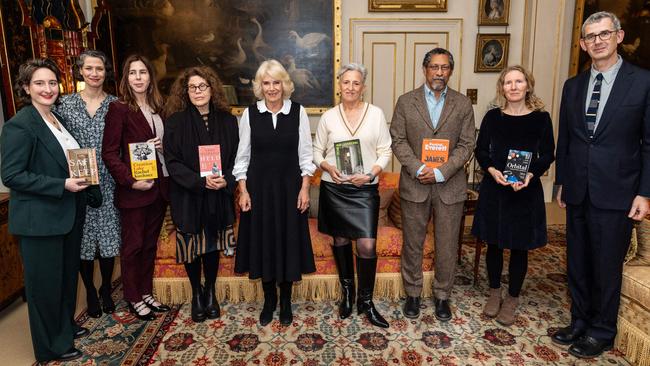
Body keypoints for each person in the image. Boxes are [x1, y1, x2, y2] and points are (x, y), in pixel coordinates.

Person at [553, 11, 650, 359]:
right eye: (590, 36)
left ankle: (602, 330)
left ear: (619, 36)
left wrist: (645, 192)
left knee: (606, 263)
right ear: (582, 44)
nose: (597, 41)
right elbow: (566, 139)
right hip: (578, 188)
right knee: (577, 259)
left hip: (618, 191)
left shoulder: (642, 82)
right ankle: (579, 320)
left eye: (604, 34)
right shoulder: (573, 85)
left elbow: (649, 142)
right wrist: (561, 182)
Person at [0, 58, 102, 363]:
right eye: (39, 83)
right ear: (26, 87)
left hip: (67, 215)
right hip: (40, 221)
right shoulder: (20, 125)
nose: (48, 89)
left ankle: (65, 328)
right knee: (45, 286)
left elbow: (72, 160)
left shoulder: (59, 120)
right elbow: (12, 175)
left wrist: (88, 186)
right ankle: (50, 347)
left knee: (65, 279)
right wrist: (62, 185)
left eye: (52, 83)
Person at [390, 47, 475, 321]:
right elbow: (398, 140)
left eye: (445, 67)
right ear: (425, 69)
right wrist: (419, 168)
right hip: (415, 185)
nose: (439, 72)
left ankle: (442, 297)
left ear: (451, 70)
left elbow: (467, 144)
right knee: (413, 242)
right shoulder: (406, 101)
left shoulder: (462, 104)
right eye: (434, 67)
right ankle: (412, 294)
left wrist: (441, 172)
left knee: (447, 244)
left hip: (450, 186)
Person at [234, 59, 316, 326]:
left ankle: (285, 301)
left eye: (276, 82)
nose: (272, 88)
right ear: (260, 86)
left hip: (289, 189)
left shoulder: (298, 112)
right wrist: (243, 191)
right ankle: (269, 300)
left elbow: (306, 155)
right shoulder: (249, 114)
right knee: (264, 243)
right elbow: (242, 157)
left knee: (287, 242)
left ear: (285, 85)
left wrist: (305, 189)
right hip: (258, 191)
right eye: (266, 83)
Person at [471, 65, 555, 326]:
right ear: (502, 88)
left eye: (519, 81)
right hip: (495, 188)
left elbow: (548, 154)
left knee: (520, 246)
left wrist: (531, 175)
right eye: (508, 82)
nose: (514, 86)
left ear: (528, 85)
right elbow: (481, 150)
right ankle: (495, 292)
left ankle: (513, 298)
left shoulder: (541, 118)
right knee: (494, 243)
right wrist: (493, 170)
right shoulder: (492, 117)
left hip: (525, 190)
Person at [313, 63, 393, 328]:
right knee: (340, 239)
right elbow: (316, 151)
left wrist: (371, 173)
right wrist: (327, 166)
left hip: (365, 188)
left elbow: (385, 150)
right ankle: (347, 294)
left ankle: (366, 302)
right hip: (335, 187)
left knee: (367, 244)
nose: (350, 87)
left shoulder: (376, 114)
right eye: (346, 82)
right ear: (339, 86)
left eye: (356, 83)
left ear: (364, 87)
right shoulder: (329, 117)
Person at [163, 66, 239, 322]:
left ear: (212, 88)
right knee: (192, 247)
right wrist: (199, 181)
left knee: (212, 246)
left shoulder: (228, 120)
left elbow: (238, 158)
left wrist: (225, 179)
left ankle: (210, 292)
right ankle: (196, 292)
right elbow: (172, 162)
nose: (198, 91)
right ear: (185, 91)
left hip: (218, 194)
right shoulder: (174, 122)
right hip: (189, 194)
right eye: (192, 87)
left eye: (202, 86)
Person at [102, 54, 171, 321]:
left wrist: (164, 147)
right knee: (133, 246)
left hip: (159, 187)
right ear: (126, 78)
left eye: (143, 72)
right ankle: (133, 296)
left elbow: (167, 145)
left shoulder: (160, 107)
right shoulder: (119, 109)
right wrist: (131, 181)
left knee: (150, 245)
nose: (138, 77)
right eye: (133, 73)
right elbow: (109, 153)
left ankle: (146, 292)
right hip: (134, 190)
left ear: (150, 77)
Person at [56, 50, 120, 318]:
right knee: (83, 242)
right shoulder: (64, 105)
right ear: (80, 71)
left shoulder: (117, 104)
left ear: (106, 72)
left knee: (108, 239)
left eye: (100, 69)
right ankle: (90, 292)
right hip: (79, 181)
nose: (95, 73)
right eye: (89, 68)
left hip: (109, 180)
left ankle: (105, 287)